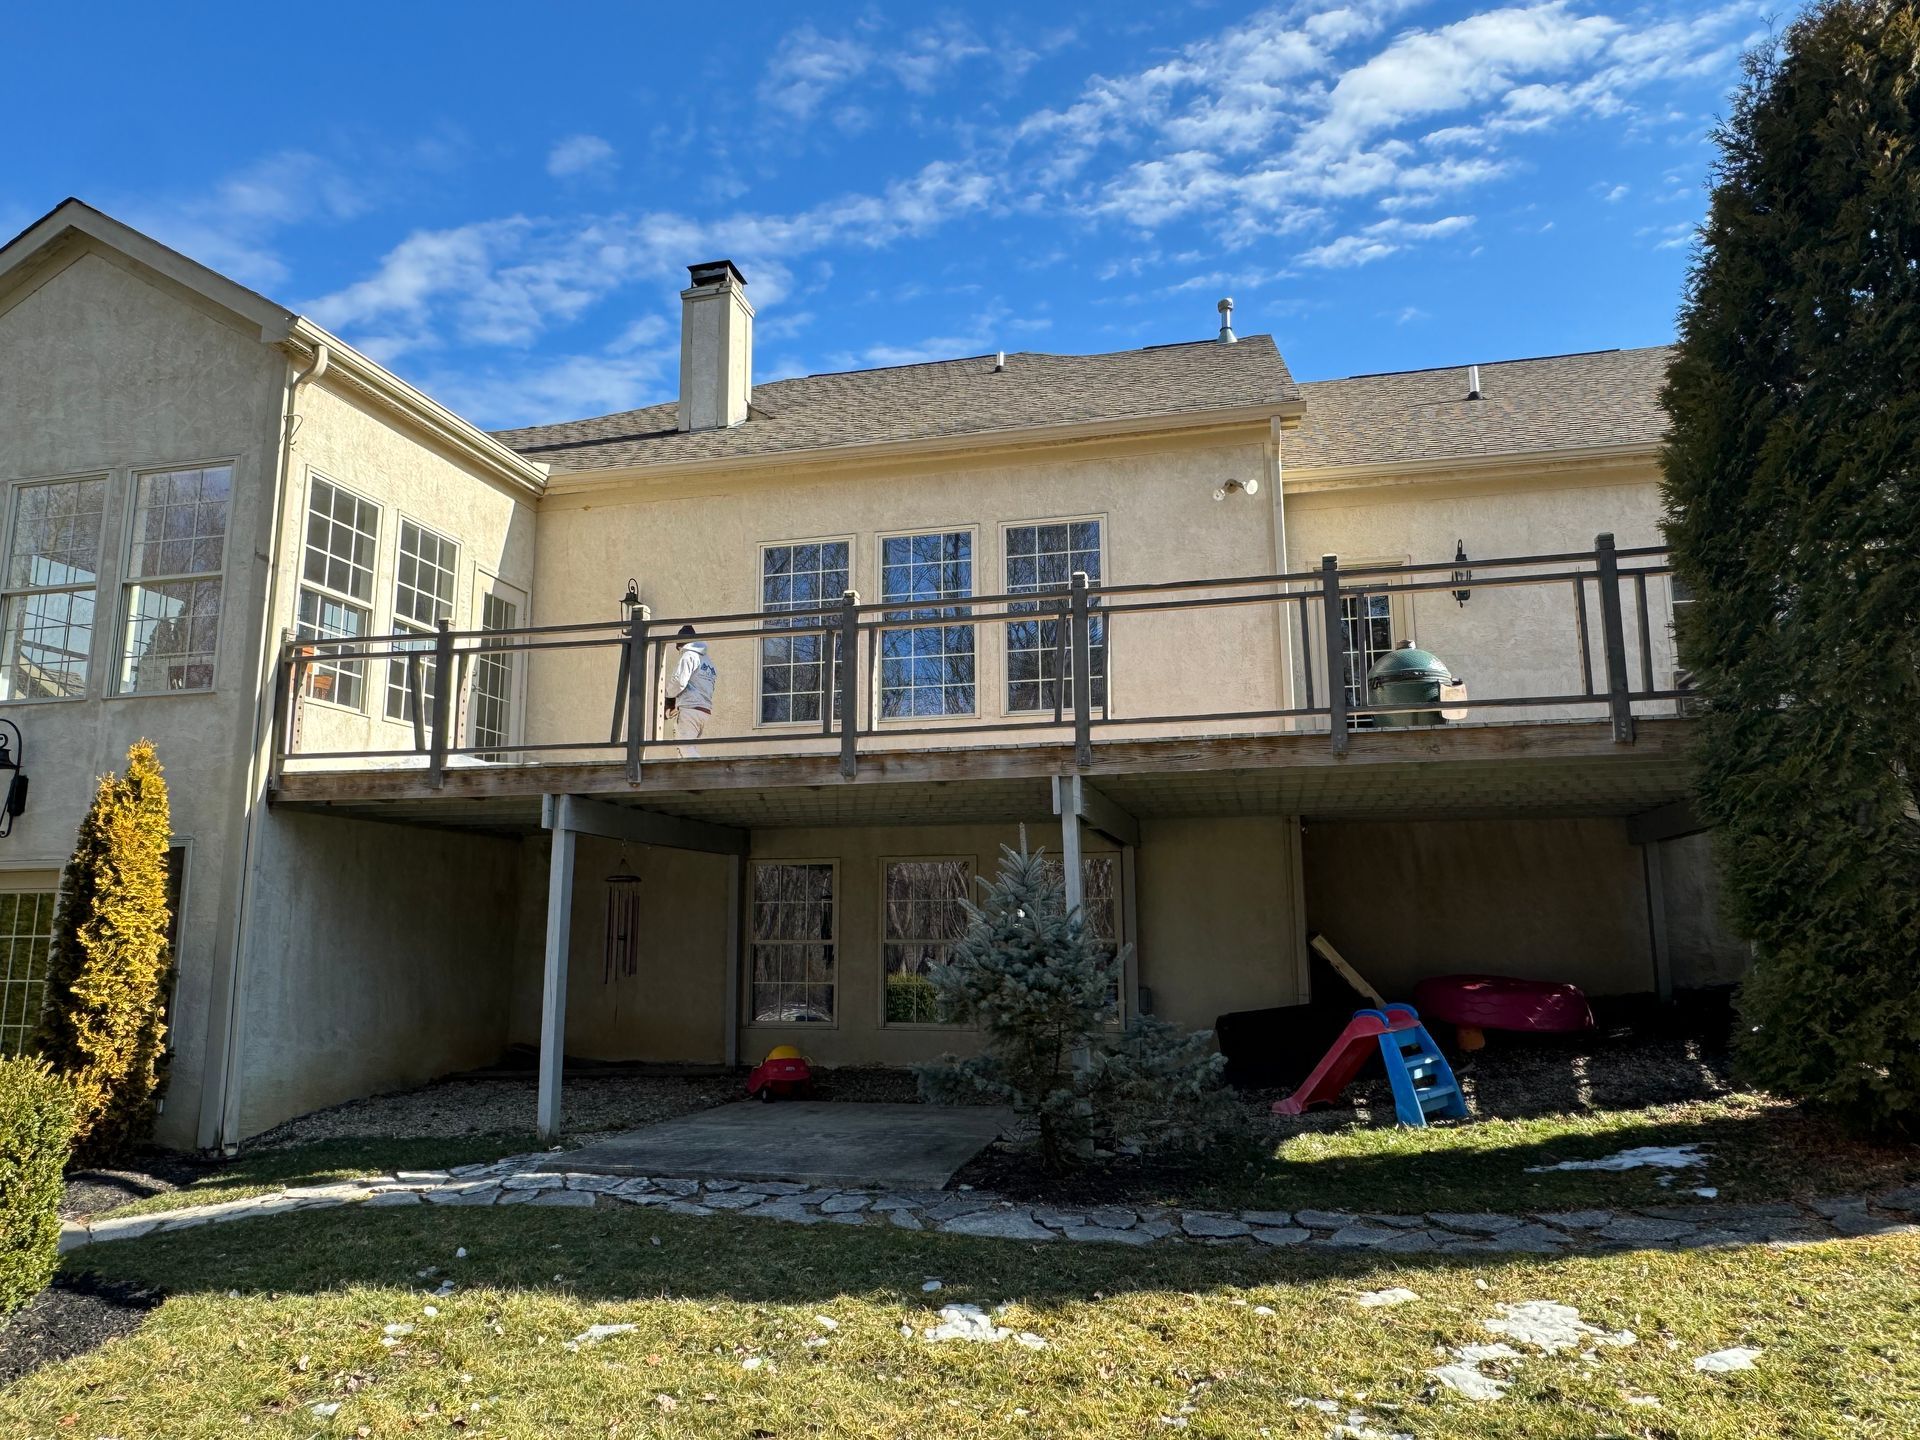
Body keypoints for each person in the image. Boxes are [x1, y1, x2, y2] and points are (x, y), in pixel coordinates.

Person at [664, 624, 716, 757]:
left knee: (685, 749)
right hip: (703, 711)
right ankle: (686, 777)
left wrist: (667, 698)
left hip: (689, 710)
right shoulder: (707, 661)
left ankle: (702, 776)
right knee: (684, 752)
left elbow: (679, 681)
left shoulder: (688, 655)